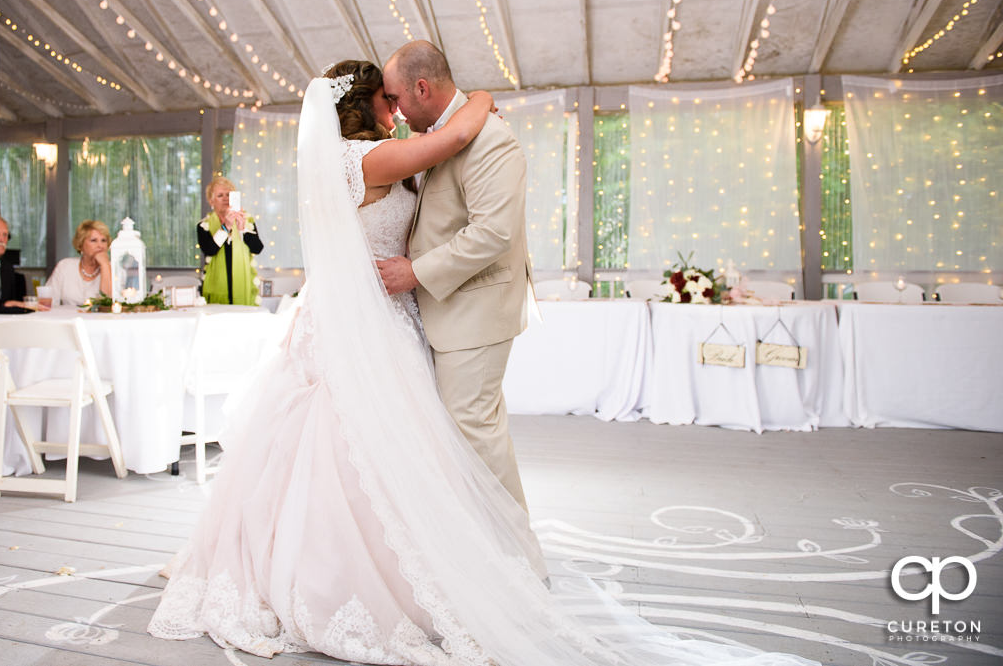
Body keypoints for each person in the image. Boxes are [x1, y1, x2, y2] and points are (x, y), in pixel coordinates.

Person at [148, 67, 819, 666]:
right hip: (368, 319)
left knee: (360, 445)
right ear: (368, 105)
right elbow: (449, 137)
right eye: (387, 97)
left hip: (372, 314)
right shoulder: (371, 156)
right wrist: (484, 98)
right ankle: (369, 570)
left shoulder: (352, 159)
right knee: (357, 445)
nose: (396, 107)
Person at [378, 40, 533, 512]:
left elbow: (493, 233)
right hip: (450, 313)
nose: (396, 111)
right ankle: (483, 549)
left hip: (475, 312)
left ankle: (516, 561)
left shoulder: (490, 138)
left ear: (421, 88)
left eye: (397, 98)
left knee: (474, 432)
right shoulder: (441, 135)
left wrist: (415, 273)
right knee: (467, 432)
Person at [198, 177, 264, 305]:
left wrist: (242, 229)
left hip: (242, 283)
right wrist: (225, 227)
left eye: (228, 194)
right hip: (216, 284)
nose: (225, 198)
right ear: (211, 201)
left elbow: (257, 248)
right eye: (220, 195)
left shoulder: (247, 220)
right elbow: (209, 250)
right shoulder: (203, 225)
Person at [46, 220, 113, 306]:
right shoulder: (65, 266)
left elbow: (107, 305)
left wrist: (105, 265)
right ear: (81, 244)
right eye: (93, 240)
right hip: (67, 318)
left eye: (103, 240)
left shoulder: (116, 270)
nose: (100, 246)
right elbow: (49, 301)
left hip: (99, 319)